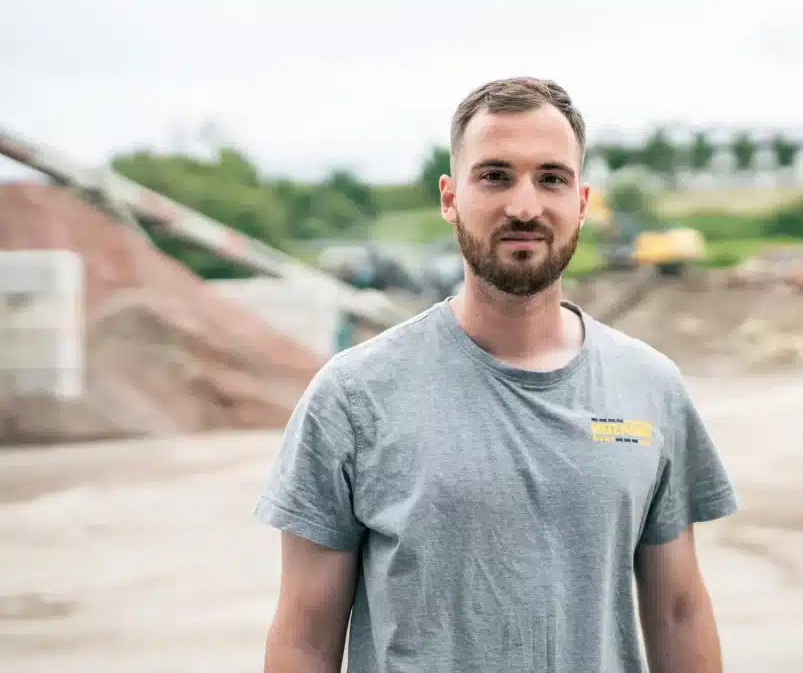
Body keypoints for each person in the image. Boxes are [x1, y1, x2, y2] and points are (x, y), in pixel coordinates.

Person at [254, 76, 739, 673]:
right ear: (450, 196)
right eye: (495, 175)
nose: (524, 206)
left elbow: (679, 612)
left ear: (581, 202)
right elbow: (304, 636)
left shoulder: (650, 386)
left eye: (551, 178)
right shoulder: (353, 397)